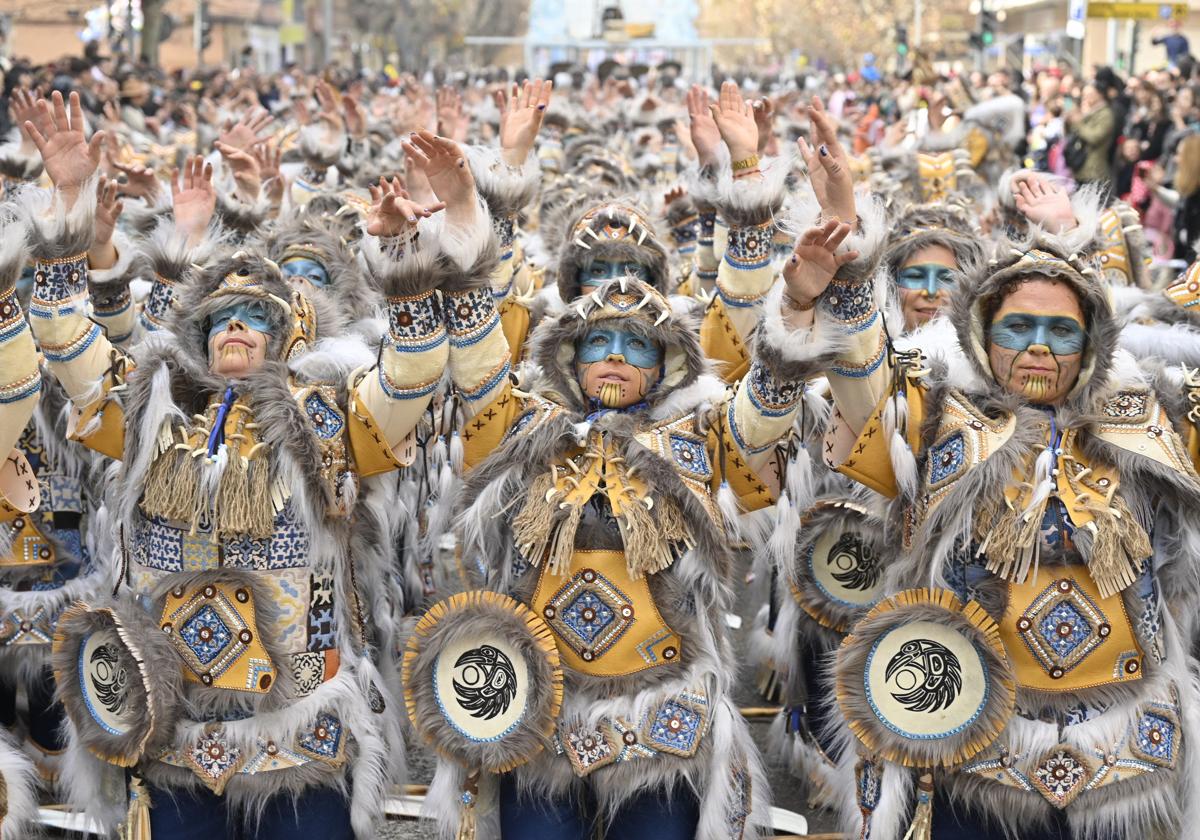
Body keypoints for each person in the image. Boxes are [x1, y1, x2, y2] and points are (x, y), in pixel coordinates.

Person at [19, 90, 472, 839]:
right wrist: (68, 214)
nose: (236, 323)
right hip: (173, 724)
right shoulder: (147, 414)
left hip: (299, 725)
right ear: (195, 334)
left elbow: (415, 376)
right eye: (221, 316)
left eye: (259, 315)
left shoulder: (331, 414)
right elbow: (67, 343)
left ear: (292, 335)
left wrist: (399, 258)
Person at [779, 148, 1200, 840]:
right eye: (1018, 328)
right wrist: (844, 259)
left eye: (1062, 331)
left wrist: (1073, 233)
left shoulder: (1151, 421)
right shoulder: (936, 424)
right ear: (981, 336)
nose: (1039, 347)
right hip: (976, 749)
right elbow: (860, 381)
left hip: (1131, 756)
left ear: (1092, 342)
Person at [1066, 82, 1116, 188]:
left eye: (1089, 94)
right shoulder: (1090, 111)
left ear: (1100, 94)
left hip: (1094, 171)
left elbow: (1095, 137)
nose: (1085, 98)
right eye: (1084, 95)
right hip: (1081, 168)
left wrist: (1079, 122)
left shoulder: (1105, 114)